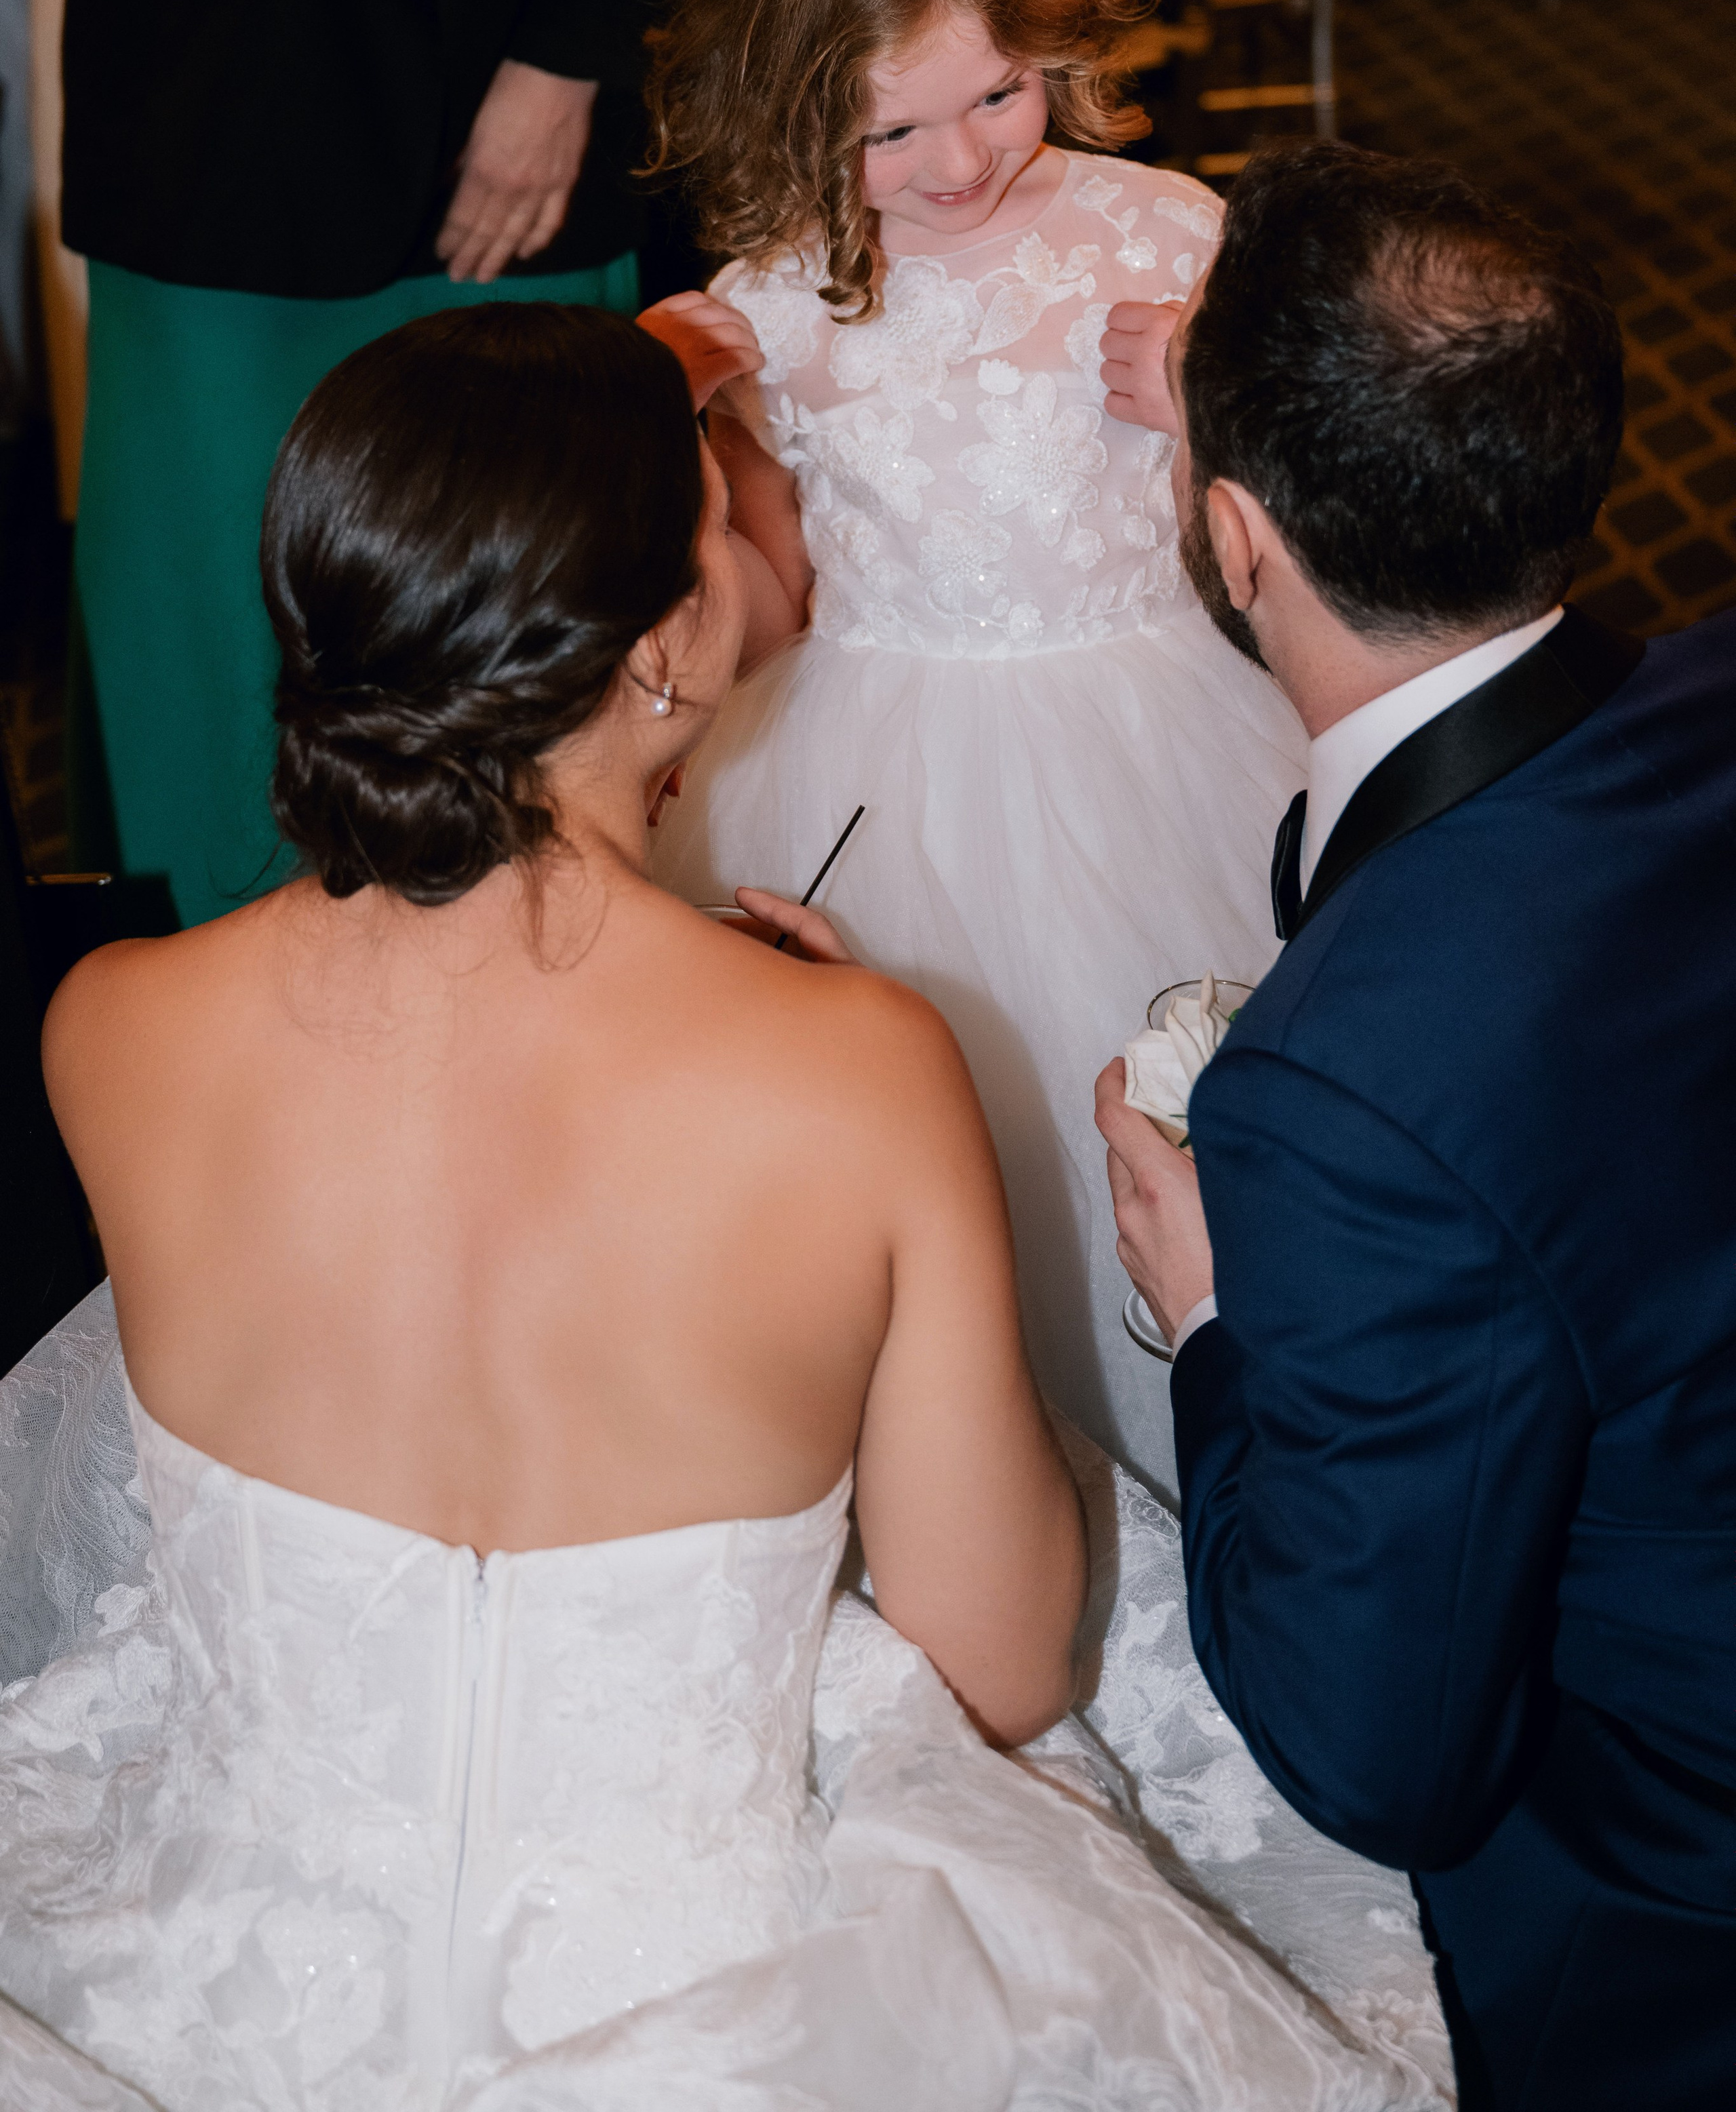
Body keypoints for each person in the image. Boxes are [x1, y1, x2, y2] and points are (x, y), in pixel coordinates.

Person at [0, 302, 1443, 2108]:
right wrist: (843, 1062)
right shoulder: (862, 1069)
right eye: (716, 522)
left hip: (201, 1992)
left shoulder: (112, 1023)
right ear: (669, 644)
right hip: (723, 2014)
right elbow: (997, 1663)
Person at [1098, 142, 1736, 2109]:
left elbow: (1384, 1753)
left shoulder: (1349, 1089)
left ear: (1235, 541)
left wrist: (1214, 1315)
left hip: (1662, 1919)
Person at [642, 0, 1306, 1499]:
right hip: (867, 776)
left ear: (1045, 32)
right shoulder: (777, 293)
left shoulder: (1161, 229)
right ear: (792, 105)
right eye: (889, 128)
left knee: (1152, 1151)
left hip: (1155, 745)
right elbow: (779, 600)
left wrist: (1210, 407)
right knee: (904, 1198)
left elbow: (1283, 556)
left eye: (996, 91)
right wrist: (674, 424)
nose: (957, 161)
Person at [0, 0, 755, 928]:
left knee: (538, 661)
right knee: (216, 663)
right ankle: (202, 1085)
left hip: (534, 118)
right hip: (224, 131)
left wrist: (564, 61)